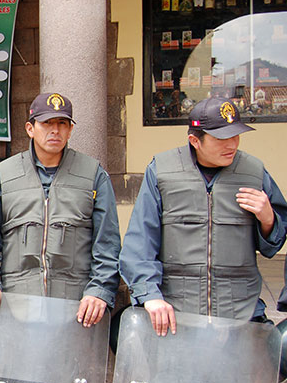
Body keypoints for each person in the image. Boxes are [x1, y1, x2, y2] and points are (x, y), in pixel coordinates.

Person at [120, 96, 287, 336]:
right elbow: (139, 244)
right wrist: (150, 296)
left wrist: (268, 218)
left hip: (240, 315)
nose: (232, 144)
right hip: (177, 314)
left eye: (236, 135)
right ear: (195, 140)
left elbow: (274, 246)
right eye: (222, 137)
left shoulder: (254, 172)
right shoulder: (163, 171)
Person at [0, 92, 121, 324]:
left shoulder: (93, 175)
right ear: (30, 128)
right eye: (47, 123)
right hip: (17, 304)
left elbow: (107, 244)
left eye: (62, 124)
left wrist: (99, 290)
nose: (55, 131)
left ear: (70, 130)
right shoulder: (6, 175)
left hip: (74, 308)